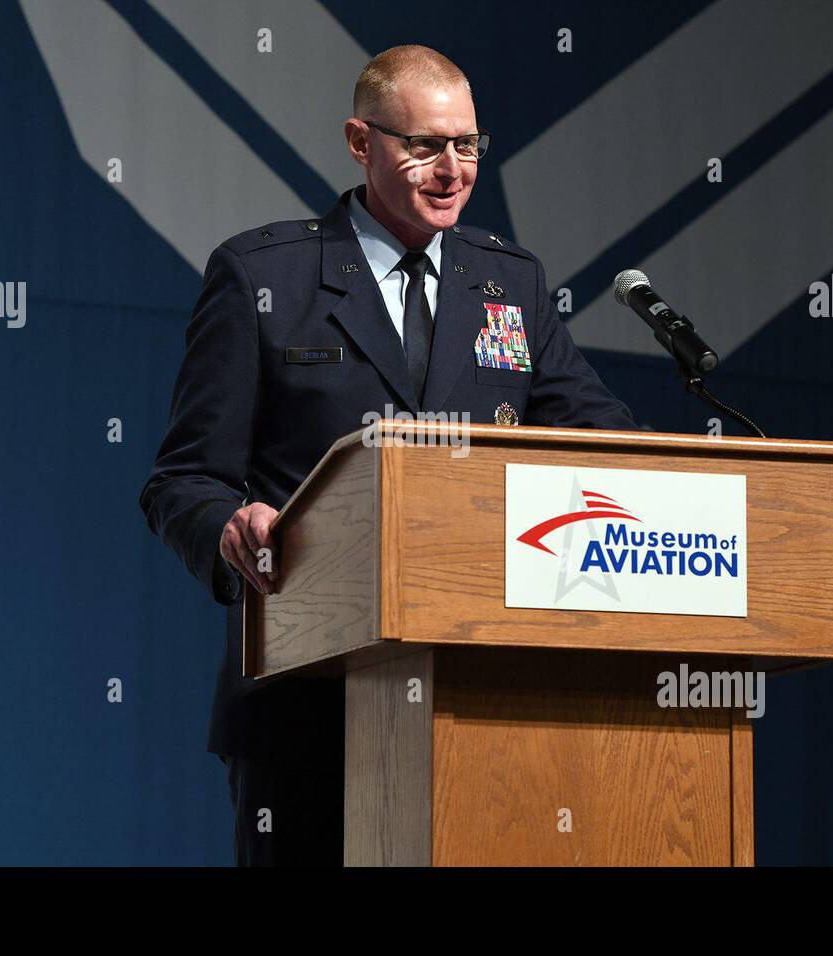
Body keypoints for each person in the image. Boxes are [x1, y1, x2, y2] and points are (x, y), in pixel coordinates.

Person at [139, 44, 644, 866]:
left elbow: (601, 434)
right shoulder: (265, 274)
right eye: (425, 145)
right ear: (359, 141)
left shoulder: (507, 282)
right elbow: (182, 478)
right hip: (305, 698)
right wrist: (232, 527)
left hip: (482, 699)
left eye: (469, 144)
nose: (453, 169)